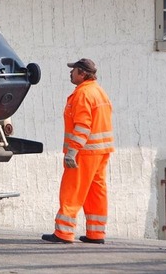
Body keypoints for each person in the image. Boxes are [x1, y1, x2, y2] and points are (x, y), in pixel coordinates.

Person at [42, 58, 114, 244]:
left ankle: (64, 233)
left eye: (73, 70)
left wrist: (72, 151)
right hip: (101, 151)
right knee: (95, 191)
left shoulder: (83, 94)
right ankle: (96, 234)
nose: (70, 73)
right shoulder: (99, 92)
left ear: (82, 73)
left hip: (85, 152)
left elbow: (83, 126)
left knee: (72, 190)